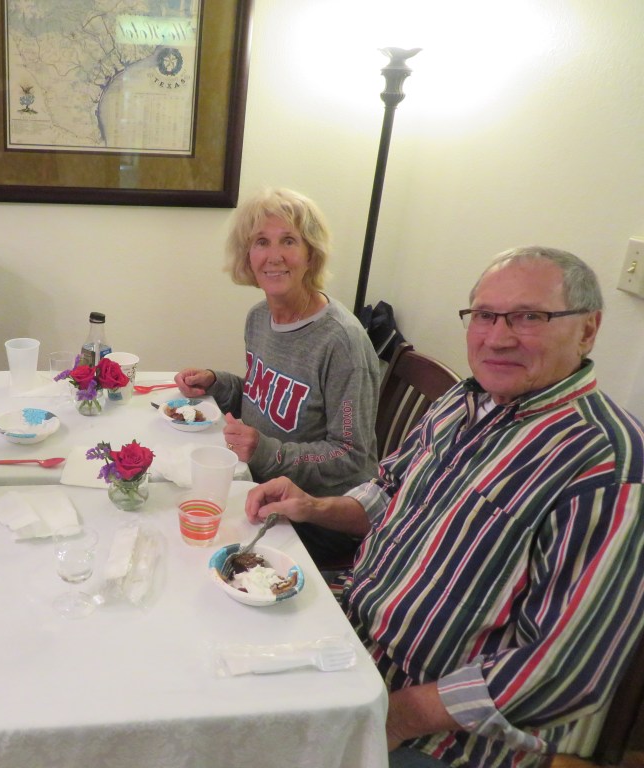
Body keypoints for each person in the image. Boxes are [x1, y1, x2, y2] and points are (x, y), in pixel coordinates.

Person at [243, 247, 644, 768]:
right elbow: (387, 491)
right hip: (353, 636)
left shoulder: (607, 464)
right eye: (485, 315)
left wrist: (395, 718)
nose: (498, 337)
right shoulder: (462, 401)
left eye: (529, 317)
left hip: (440, 731)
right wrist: (313, 505)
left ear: (588, 329)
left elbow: (567, 670)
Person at [175, 187, 380, 564]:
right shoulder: (259, 318)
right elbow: (266, 400)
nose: (274, 256)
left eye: (289, 240)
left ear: (310, 253)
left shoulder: (342, 343)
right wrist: (218, 383)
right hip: (255, 488)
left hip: (310, 522)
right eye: (261, 242)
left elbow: (352, 457)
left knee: (186, 550)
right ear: (247, 255)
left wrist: (267, 452)